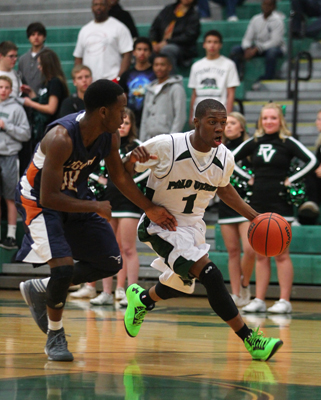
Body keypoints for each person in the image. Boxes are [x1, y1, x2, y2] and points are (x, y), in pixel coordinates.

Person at [17, 79, 177, 362]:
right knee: (64, 269)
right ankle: (55, 334)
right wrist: (93, 205)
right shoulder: (60, 138)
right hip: (40, 200)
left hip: (75, 196)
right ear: (103, 111)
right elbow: (49, 197)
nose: (125, 116)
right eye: (121, 110)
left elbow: (119, 176)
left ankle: (41, 287)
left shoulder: (110, 136)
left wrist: (149, 208)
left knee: (110, 261)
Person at [122, 98, 283, 362]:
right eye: (212, 122)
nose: (219, 128)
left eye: (223, 122)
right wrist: (147, 203)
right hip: (161, 226)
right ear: (196, 122)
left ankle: (143, 300)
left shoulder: (224, 157)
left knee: (181, 284)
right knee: (210, 275)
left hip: (193, 227)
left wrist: (255, 217)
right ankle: (251, 340)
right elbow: (121, 172)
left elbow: (223, 187)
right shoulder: (166, 145)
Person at [232, 102, 318, 314]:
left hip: (281, 204)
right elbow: (230, 159)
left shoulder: (287, 142)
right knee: (259, 253)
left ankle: (284, 300)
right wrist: (247, 177)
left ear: (281, 121)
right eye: (265, 118)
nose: (269, 122)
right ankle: (259, 299)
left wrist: (292, 179)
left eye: (273, 118)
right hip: (258, 202)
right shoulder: (254, 142)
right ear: (260, 121)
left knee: (281, 253)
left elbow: (312, 160)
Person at [72, 108, 149, 305]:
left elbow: (149, 172)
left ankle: (128, 292)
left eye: (127, 123)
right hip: (108, 201)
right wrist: (102, 182)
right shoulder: (107, 143)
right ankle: (106, 292)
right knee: (108, 249)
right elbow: (88, 167)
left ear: (132, 126)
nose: (122, 126)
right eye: (120, 122)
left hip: (128, 203)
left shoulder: (138, 146)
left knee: (128, 248)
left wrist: (124, 183)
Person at [218, 112, 256, 307]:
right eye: (226, 124)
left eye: (233, 123)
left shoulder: (250, 148)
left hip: (245, 204)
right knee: (232, 251)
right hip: (226, 206)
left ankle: (244, 284)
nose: (229, 127)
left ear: (242, 127)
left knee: (249, 250)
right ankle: (235, 294)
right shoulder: (219, 148)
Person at [0, 76, 30, 249]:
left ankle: (11, 235)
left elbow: (25, 134)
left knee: (11, 196)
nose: (3, 90)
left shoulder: (17, 109)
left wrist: (6, 126)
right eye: (0, 87)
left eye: (6, 87)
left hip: (10, 155)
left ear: (11, 90)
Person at [188, 30, 240, 126]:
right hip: (200, 114)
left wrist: (227, 116)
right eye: (209, 42)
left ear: (220, 45)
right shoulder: (196, 66)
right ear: (204, 44)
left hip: (219, 113)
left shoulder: (229, 65)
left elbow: (231, 93)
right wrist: (191, 116)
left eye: (215, 42)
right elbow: (194, 94)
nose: (212, 45)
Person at [229, 0, 286, 88]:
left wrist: (256, 49)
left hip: (274, 48)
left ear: (274, 7)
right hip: (257, 48)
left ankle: (268, 77)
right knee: (236, 50)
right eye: (264, 4)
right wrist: (247, 48)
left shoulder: (278, 20)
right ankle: (236, 77)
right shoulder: (255, 19)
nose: (266, 7)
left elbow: (275, 42)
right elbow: (247, 38)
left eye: (269, 5)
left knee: (272, 52)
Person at [73, 0, 133, 82]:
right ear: (92, 8)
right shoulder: (85, 30)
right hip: (90, 83)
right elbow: (78, 57)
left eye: (102, 4)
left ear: (108, 7)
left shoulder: (119, 27)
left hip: (112, 81)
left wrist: (118, 78)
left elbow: (127, 54)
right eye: (96, 4)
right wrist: (80, 78)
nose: (99, 7)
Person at [21, 49, 69, 147]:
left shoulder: (55, 82)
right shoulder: (47, 82)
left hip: (52, 129)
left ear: (47, 65)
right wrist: (31, 93)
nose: (39, 67)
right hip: (44, 128)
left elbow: (51, 108)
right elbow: (43, 102)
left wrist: (30, 103)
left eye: (40, 64)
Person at [139, 54, 186, 142]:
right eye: (156, 65)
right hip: (150, 139)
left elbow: (180, 117)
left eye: (162, 65)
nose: (159, 68)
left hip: (167, 139)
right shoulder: (150, 89)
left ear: (169, 67)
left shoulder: (176, 88)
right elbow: (145, 117)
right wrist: (143, 140)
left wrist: (171, 139)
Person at [149, 0, 200, 71]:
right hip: (160, 44)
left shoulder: (194, 15)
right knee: (145, 50)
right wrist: (154, 43)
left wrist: (167, 42)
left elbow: (189, 36)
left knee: (167, 50)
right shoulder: (168, 9)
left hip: (182, 48)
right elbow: (154, 28)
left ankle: (170, 79)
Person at [119, 37, 156, 132]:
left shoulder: (156, 74)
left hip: (151, 117)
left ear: (150, 52)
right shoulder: (126, 75)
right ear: (134, 52)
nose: (142, 52)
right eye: (139, 49)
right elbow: (122, 97)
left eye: (145, 49)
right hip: (131, 119)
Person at [18, 22, 47, 95]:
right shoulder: (22, 59)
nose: (36, 37)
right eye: (33, 34)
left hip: (44, 98)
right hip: (26, 100)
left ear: (44, 37)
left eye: (39, 34)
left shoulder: (50, 56)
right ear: (28, 38)